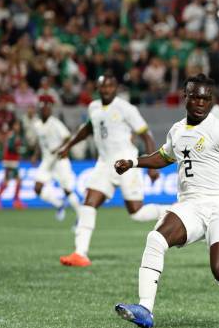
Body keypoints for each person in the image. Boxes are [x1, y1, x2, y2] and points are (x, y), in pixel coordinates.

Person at [114, 74, 219, 328]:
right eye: (195, 97)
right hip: (190, 205)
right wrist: (134, 162)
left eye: (206, 98)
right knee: (156, 239)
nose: (200, 102)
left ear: (212, 101)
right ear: (185, 97)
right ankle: (145, 308)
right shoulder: (178, 130)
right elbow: (164, 156)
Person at [56, 71, 168, 267]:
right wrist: (67, 147)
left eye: (110, 86)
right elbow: (87, 129)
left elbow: (147, 136)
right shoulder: (94, 107)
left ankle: (171, 211)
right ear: (98, 88)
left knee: (137, 213)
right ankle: (80, 253)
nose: (106, 89)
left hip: (126, 163)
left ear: (115, 88)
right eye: (103, 86)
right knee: (88, 204)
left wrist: (151, 167)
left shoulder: (125, 108)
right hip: (104, 164)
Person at [31, 95, 80, 220]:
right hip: (47, 161)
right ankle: (58, 204)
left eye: (48, 107)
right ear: (40, 109)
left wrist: (59, 149)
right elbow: (40, 141)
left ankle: (80, 215)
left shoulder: (55, 123)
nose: (46, 110)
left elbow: (67, 138)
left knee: (67, 190)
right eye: (43, 107)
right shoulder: (37, 124)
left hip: (59, 161)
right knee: (37, 188)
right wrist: (35, 155)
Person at [0, 119, 26, 210]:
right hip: (10, 162)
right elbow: (10, 147)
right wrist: (19, 150)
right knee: (11, 181)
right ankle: (14, 201)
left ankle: (14, 200)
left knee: (13, 180)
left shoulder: (17, 136)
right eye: (16, 125)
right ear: (13, 126)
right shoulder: (12, 135)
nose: (17, 127)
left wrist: (20, 149)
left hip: (13, 161)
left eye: (18, 125)